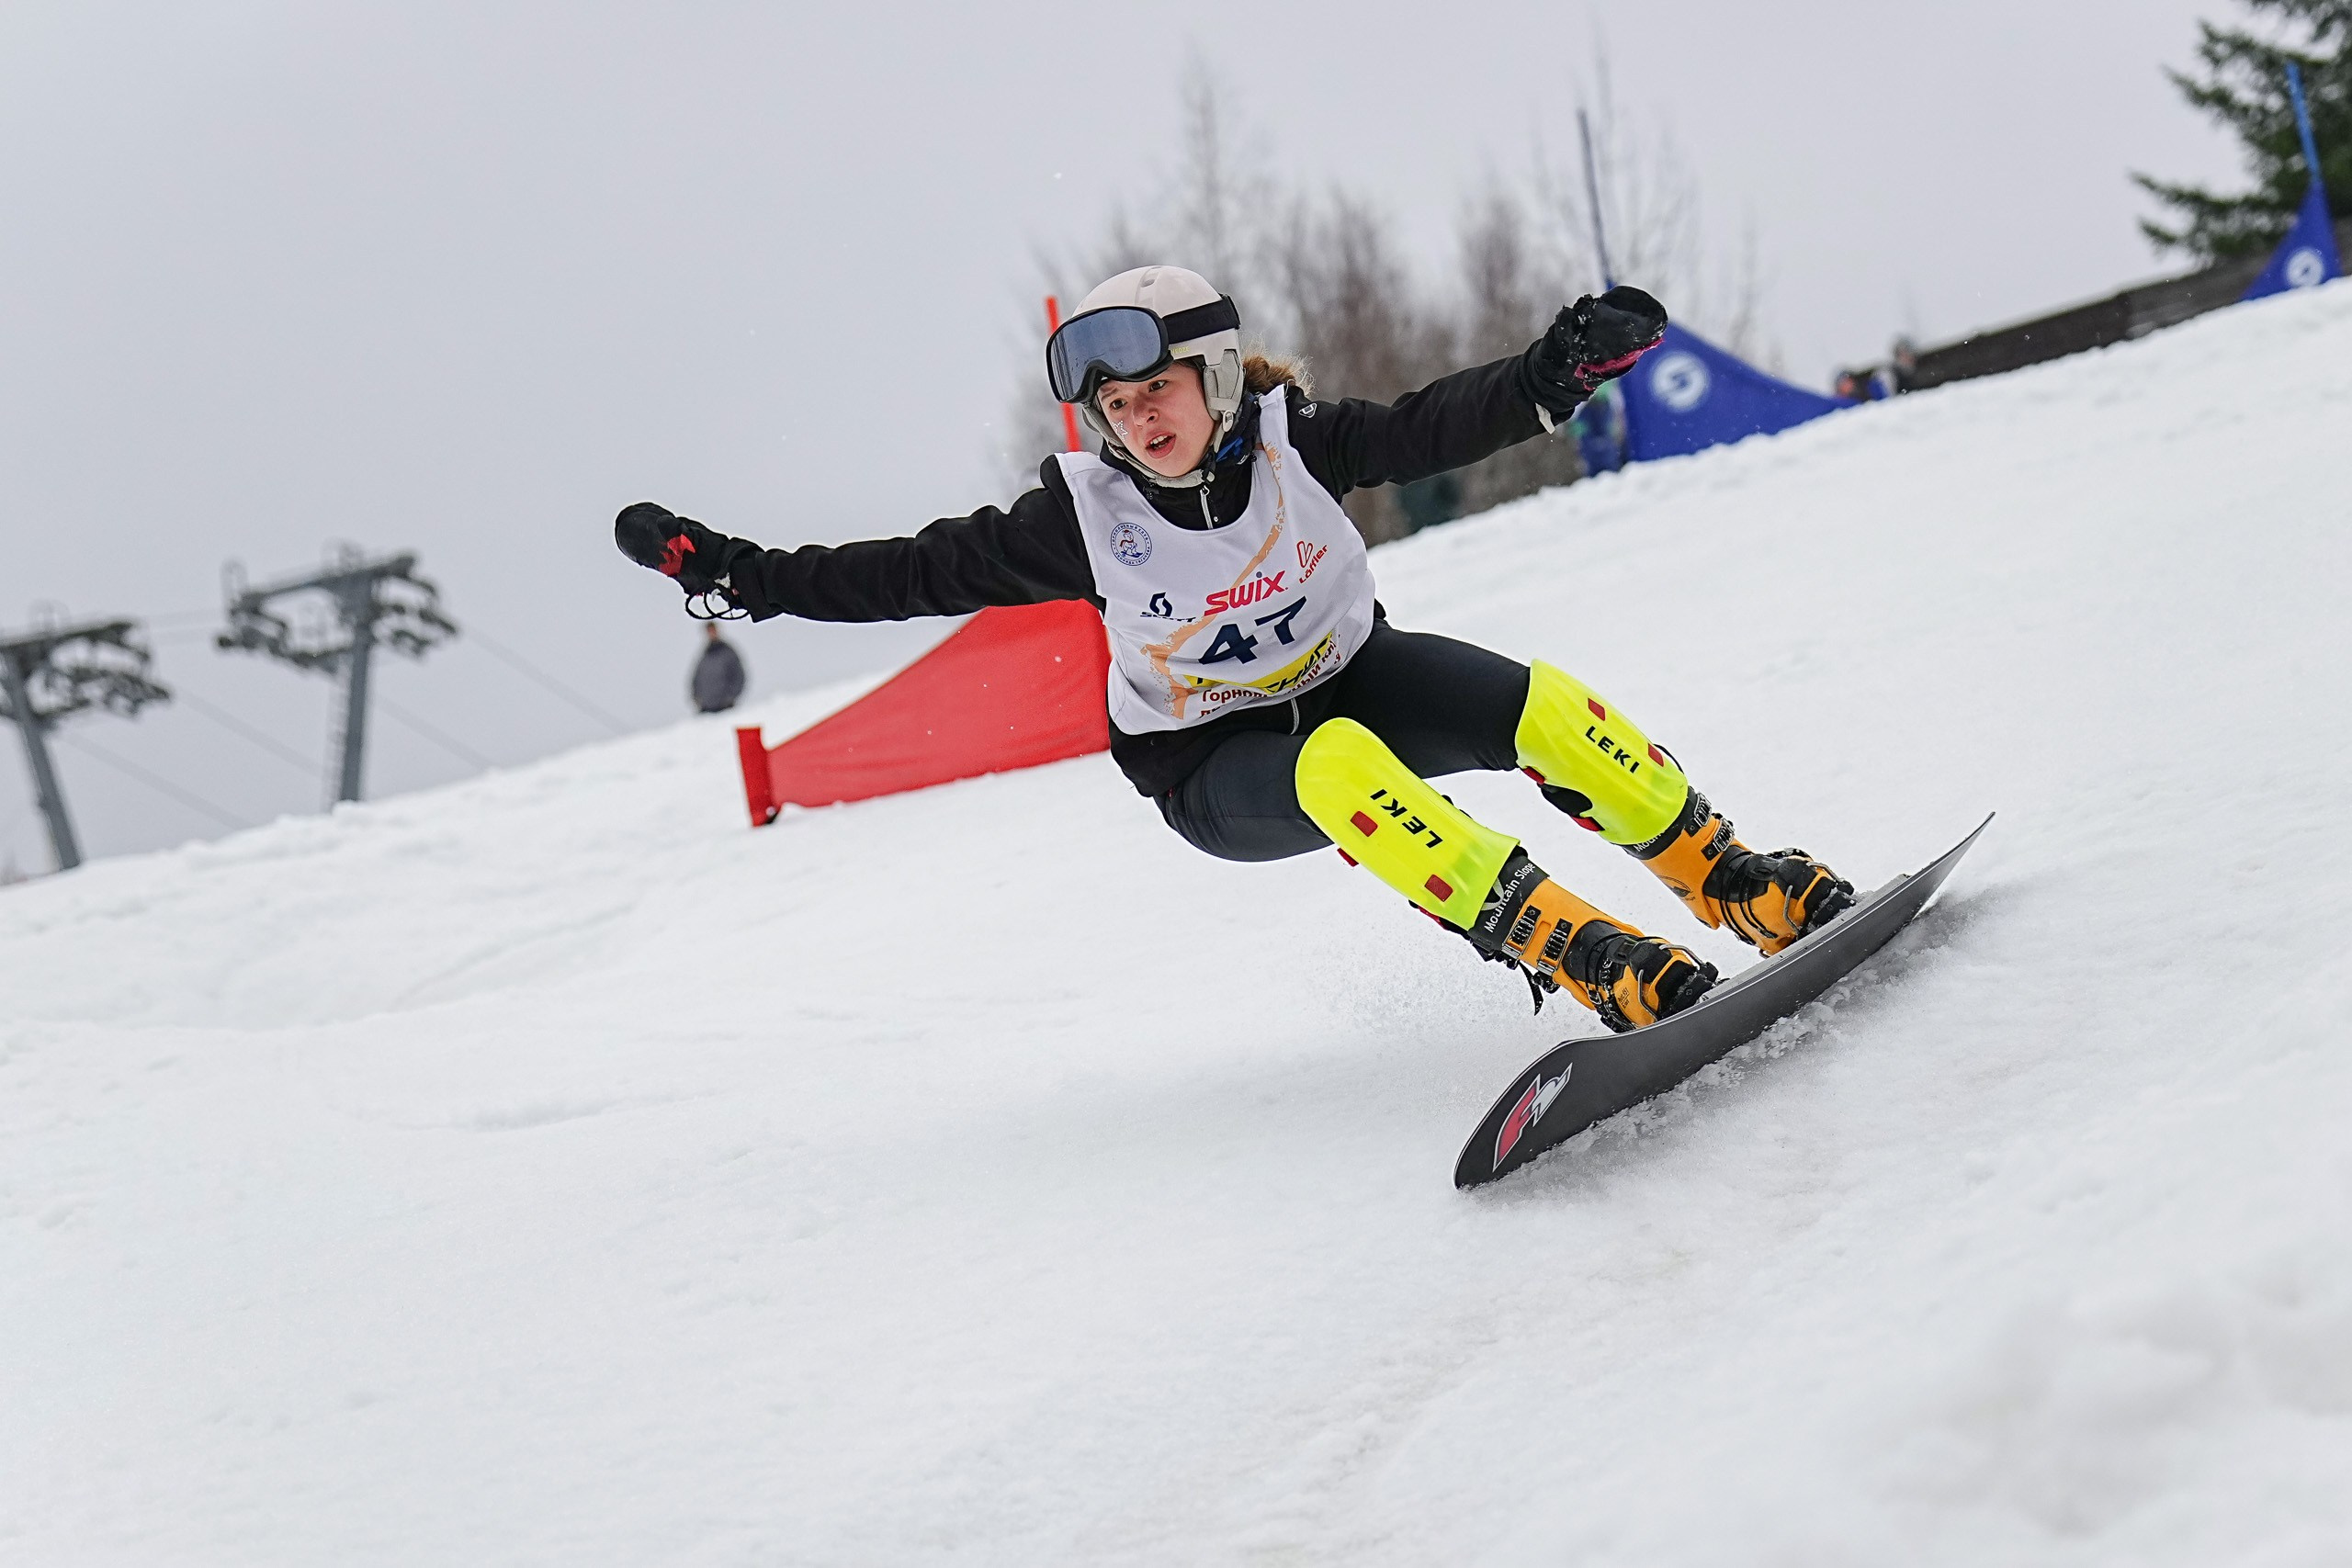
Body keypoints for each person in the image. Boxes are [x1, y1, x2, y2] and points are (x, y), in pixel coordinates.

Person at [616, 265, 1852, 1031]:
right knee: (1341, 768)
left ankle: (1728, 875)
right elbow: (905, 573)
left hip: (1354, 676)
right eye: (1116, 404)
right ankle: (1588, 954)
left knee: (1545, 705)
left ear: (1213, 376)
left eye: (1160, 388)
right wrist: (745, 575)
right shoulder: (1079, 518)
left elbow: (1430, 426)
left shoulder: (1292, 443)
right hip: (1217, 769)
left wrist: (1552, 373)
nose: (1140, 417)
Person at [691, 622, 747, 714]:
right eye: (709, 631)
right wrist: (697, 698)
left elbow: (739, 676)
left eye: (713, 630)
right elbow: (696, 679)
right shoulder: (704, 656)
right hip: (706, 710)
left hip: (725, 709)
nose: (711, 633)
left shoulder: (728, 653)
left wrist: (730, 697)